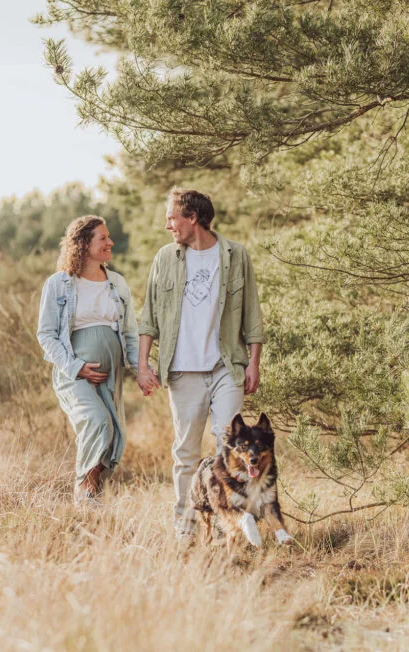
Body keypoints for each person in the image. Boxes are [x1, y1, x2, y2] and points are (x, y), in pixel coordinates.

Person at [137, 188, 265, 538]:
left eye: (172, 218)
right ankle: (186, 528)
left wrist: (254, 363)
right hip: (183, 372)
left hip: (227, 367)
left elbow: (252, 314)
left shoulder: (236, 255)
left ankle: (229, 526)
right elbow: (149, 316)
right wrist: (143, 365)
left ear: (192, 218)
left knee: (231, 448)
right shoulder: (165, 258)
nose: (167, 226)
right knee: (186, 453)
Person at [37, 215, 142, 505]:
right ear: (83, 243)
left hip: (110, 374)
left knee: (113, 434)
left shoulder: (117, 283)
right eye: (103, 238)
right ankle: (83, 491)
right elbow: (46, 334)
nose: (110, 242)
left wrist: (142, 370)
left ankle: (91, 498)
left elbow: (130, 333)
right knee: (97, 422)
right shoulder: (59, 284)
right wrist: (76, 367)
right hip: (74, 372)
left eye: (109, 237)